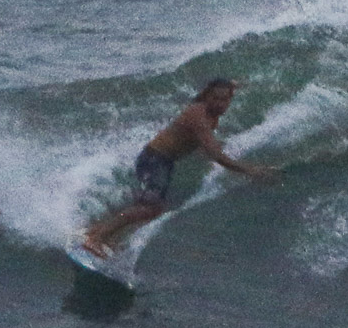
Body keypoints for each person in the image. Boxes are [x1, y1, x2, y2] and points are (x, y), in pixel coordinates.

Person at [81, 78, 279, 258]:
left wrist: (236, 84)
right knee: (150, 207)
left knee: (147, 206)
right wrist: (250, 170)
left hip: (163, 161)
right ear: (207, 97)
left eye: (225, 100)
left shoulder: (210, 111)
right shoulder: (199, 117)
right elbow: (216, 155)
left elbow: (223, 90)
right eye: (216, 99)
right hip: (155, 159)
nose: (221, 104)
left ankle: (97, 232)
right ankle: (95, 239)